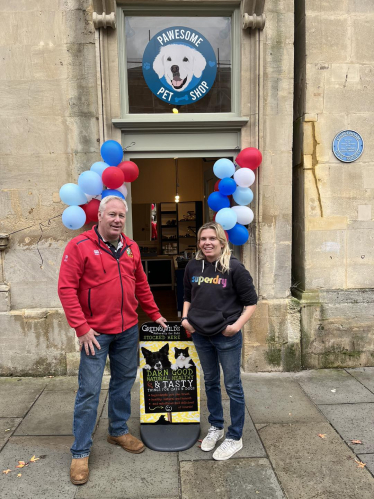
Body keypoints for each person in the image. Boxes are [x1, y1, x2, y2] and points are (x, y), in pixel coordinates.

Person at [58, 195, 167, 485]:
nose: (117, 220)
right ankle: (80, 451)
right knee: (90, 390)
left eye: (122, 215)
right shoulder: (79, 245)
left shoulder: (131, 247)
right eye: (112, 215)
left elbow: (141, 284)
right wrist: (81, 327)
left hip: (128, 329)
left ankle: (117, 430)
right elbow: (66, 288)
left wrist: (155, 315)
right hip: (95, 334)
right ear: (100, 216)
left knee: (123, 381)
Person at [181, 222, 257, 461]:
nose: (207, 243)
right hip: (200, 334)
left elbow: (251, 302)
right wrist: (185, 319)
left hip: (226, 336)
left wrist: (235, 326)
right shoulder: (193, 266)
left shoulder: (234, 268)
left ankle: (235, 437)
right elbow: (186, 295)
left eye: (212, 238)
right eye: (203, 239)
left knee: (233, 386)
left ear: (222, 241)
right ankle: (217, 425)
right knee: (211, 381)